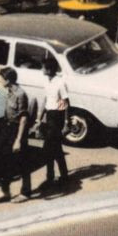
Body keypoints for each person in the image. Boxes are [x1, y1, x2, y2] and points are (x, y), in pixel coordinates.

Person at [0, 67, 34, 201]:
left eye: (1, 78)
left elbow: (24, 119)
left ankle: (25, 193)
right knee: (0, 157)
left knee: (21, 161)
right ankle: (5, 191)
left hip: (17, 130)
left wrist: (18, 140)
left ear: (8, 80)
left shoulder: (20, 94)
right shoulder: (9, 91)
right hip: (7, 127)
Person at [39, 62, 71, 191]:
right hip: (49, 116)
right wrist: (39, 118)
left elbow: (66, 103)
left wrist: (66, 123)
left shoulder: (60, 83)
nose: (42, 69)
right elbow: (45, 100)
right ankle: (64, 175)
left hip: (57, 116)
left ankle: (50, 177)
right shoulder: (47, 82)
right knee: (56, 149)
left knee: (48, 148)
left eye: (43, 67)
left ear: (49, 69)